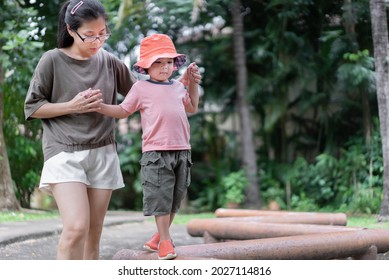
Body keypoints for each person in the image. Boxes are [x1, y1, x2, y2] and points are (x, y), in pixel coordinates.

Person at [24, 0, 200, 260]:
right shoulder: (52, 60)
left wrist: (181, 83)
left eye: (102, 33)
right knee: (75, 228)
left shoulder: (110, 61)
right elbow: (33, 107)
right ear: (71, 30)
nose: (97, 41)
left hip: (103, 151)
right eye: (90, 35)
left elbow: (147, 94)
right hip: (63, 151)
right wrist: (72, 105)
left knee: (93, 234)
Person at [98, 33, 200, 260]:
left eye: (169, 62)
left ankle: (158, 237)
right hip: (156, 153)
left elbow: (192, 106)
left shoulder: (177, 87)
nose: (165, 67)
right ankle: (165, 241)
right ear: (146, 67)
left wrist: (192, 83)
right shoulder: (141, 89)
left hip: (183, 150)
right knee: (160, 200)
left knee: (175, 198)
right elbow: (123, 111)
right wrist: (100, 107)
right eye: (158, 62)